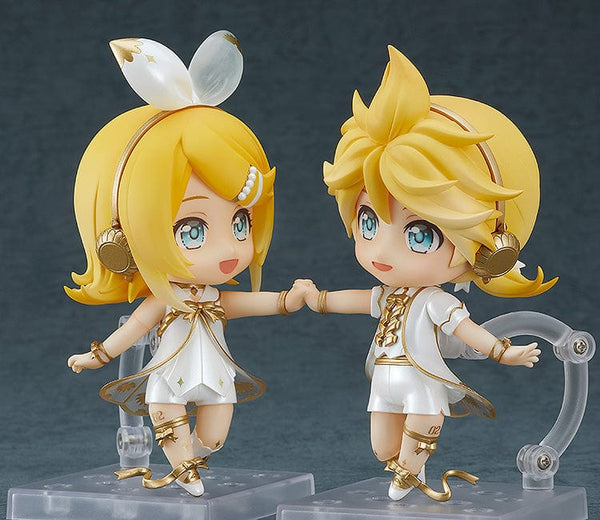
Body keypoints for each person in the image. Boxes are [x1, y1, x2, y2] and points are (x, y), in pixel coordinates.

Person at [299, 46, 555, 501]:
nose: (381, 251)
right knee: (382, 448)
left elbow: (466, 331)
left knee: (419, 426)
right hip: (384, 379)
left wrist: (503, 352)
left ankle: (411, 471)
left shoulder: (438, 301)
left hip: (420, 380)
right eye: (368, 222)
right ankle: (404, 470)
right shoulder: (389, 295)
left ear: (486, 246)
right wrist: (316, 298)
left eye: (419, 234)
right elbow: (357, 300)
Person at [66, 32, 305, 496]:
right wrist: (96, 356)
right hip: (169, 374)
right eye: (192, 230)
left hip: (214, 373)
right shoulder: (165, 300)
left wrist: (286, 301)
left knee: (214, 434)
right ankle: (183, 467)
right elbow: (134, 330)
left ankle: (192, 459)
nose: (229, 248)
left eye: (240, 222)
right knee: (165, 412)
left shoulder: (214, 296)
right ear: (122, 239)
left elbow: (245, 304)